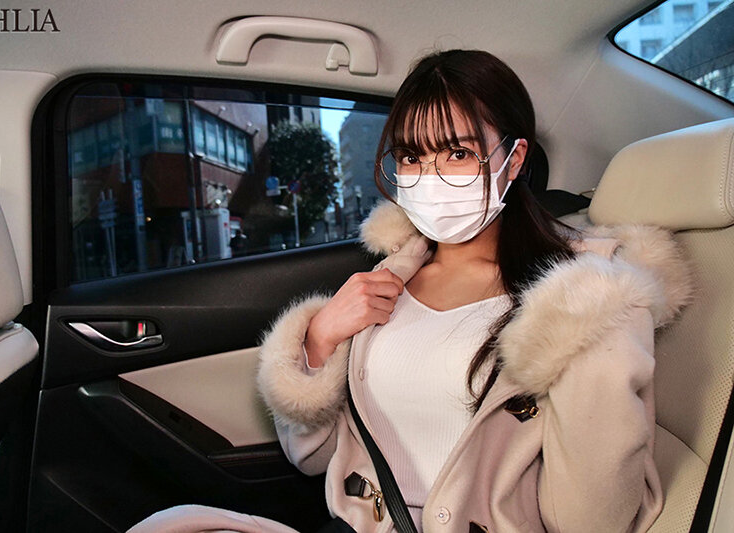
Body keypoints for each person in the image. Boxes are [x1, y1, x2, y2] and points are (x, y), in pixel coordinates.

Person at [128, 49, 693, 533]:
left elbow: (593, 521)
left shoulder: (585, 299)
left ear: (514, 158)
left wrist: (592, 346)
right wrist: (321, 338)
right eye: (412, 156)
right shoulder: (388, 279)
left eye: (458, 153)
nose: (430, 176)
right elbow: (314, 459)